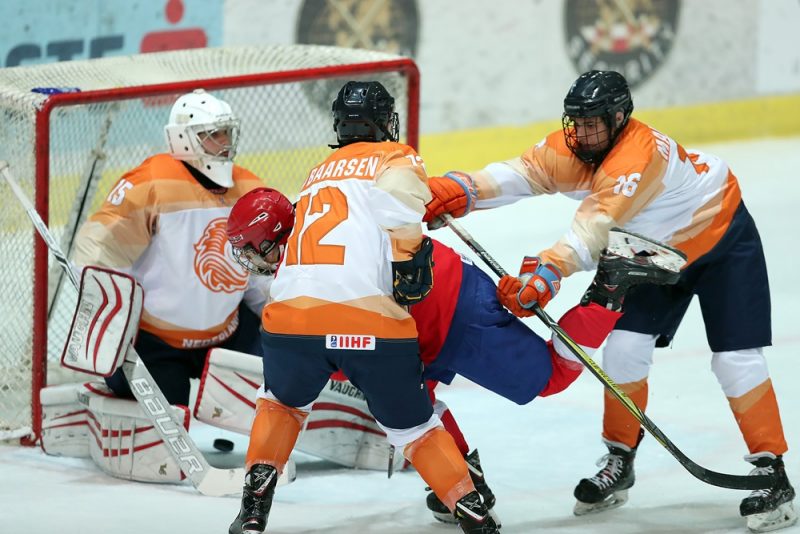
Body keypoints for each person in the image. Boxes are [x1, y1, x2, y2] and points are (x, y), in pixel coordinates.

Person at [423, 70, 796, 532]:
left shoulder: (636, 157)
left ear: (619, 119)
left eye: (592, 124)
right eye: (576, 123)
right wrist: (461, 190)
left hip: (720, 237)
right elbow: (521, 174)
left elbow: (592, 232)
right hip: (648, 251)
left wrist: (545, 273)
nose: (581, 134)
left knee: (736, 360)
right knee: (623, 350)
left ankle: (771, 470)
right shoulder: (573, 147)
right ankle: (621, 458)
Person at [228, 187, 686, 527]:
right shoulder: (323, 220)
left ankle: (609, 287)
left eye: (252, 249)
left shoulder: (301, 277)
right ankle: (468, 478)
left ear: (274, 240)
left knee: (551, 377)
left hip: (452, 312)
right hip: (412, 325)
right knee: (410, 402)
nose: (249, 260)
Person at [228, 81, 500, 534]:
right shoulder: (395, 155)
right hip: (371, 325)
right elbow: (399, 203)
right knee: (416, 431)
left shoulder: (316, 173)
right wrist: (409, 256)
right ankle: (476, 518)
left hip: (290, 320)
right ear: (384, 121)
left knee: (279, 405)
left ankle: (253, 510)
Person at [72, 89, 268, 407]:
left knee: (277, 371)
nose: (224, 142)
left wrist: (286, 324)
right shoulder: (150, 185)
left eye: (227, 132)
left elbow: (261, 273)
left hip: (228, 335)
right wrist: (113, 332)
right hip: (155, 343)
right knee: (172, 412)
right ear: (182, 139)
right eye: (212, 134)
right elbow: (100, 256)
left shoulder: (250, 189)